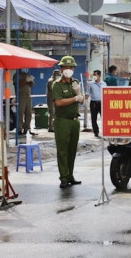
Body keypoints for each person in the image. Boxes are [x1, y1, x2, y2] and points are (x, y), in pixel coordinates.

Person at [52, 56, 84, 188]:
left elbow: (82, 99)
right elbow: (58, 102)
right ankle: (64, 177)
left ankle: (70, 175)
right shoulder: (57, 84)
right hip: (62, 121)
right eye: (66, 67)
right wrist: (75, 98)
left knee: (72, 150)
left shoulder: (75, 82)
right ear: (61, 69)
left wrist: (79, 94)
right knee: (63, 150)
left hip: (75, 121)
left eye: (71, 67)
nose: (68, 69)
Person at [13, 68, 36, 135]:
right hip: (21, 97)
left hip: (28, 96)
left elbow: (32, 84)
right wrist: (26, 81)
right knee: (20, 113)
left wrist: (31, 81)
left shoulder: (27, 74)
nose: (25, 69)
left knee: (29, 113)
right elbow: (18, 84)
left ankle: (27, 128)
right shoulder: (16, 75)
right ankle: (19, 129)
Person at [85, 70, 106, 138]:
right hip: (93, 103)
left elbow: (106, 94)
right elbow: (87, 93)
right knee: (93, 118)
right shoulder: (90, 84)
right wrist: (85, 101)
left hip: (102, 103)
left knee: (104, 118)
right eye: (93, 74)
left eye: (95, 75)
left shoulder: (104, 84)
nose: (94, 76)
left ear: (99, 75)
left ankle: (105, 132)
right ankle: (96, 132)